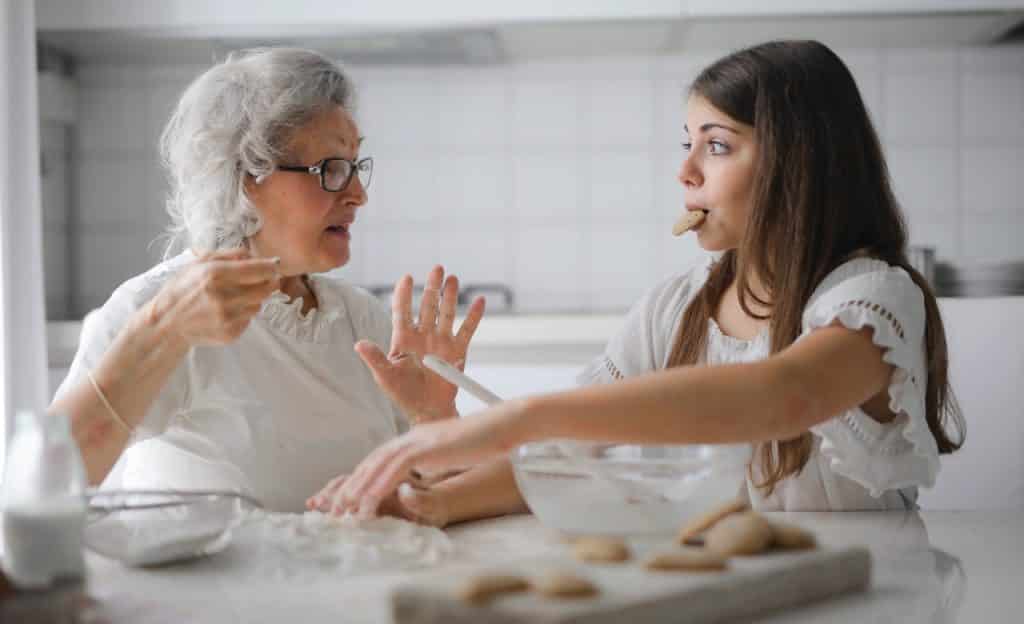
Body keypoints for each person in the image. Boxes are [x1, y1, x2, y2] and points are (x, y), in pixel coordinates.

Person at [311, 40, 965, 522]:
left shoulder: (872, 298)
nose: (685, 171)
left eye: (717, 144)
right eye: (688, 142)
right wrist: (434, 493)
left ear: (798, 164)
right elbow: (576, 454)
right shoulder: (673, 309)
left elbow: (783, 395)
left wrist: (522, 415)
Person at [49, 48, 484, 512]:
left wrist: (434, 416)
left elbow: (434, 499)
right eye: (331, 170)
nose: (359, 194)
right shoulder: (156, 306)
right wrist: (162, 331)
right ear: (243, 176)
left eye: (355, 167)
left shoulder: (361, 320)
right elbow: (49, 480)